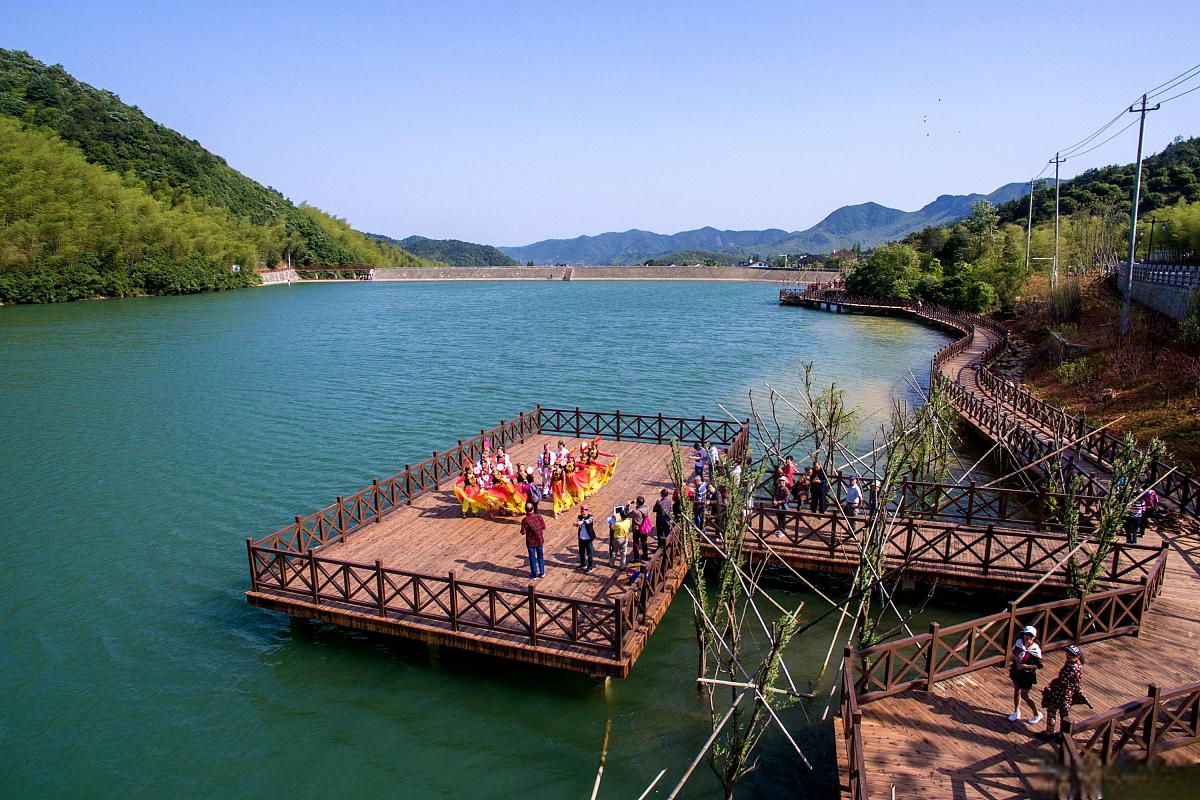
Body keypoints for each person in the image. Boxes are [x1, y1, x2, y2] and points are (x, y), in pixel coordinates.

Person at [1040, 645, 1087, 739]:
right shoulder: (1078, 665)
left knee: (1052, 711)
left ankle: (1049, 733)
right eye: (1068, 653)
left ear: (1077, 657)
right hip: (1068, 695)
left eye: (1071, 654)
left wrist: (1051, 686)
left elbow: (1062, 681)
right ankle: (1063, 735)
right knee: (1064, 715)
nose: (1068, 655)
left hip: (1060, 694)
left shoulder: (1070, 667)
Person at [1008, 625, 1044, 723]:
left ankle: (1037, 714)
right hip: (1016, 671)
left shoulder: (1035, 649)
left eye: (1031, 636)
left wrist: (1024, 666)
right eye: (1026, 635)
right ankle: (1016, 712)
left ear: (1034, 637)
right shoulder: (1019, 643)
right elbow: (1014, 654)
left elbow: (1038, 666)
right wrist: (1015, 659)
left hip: (1027, 674)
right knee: (1016, 691)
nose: (1028, 637)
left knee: (1025, 695)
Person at [520, 502, 546, 579]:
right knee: (540, 557)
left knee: (532, 558)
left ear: (525, 510)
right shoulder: (539, 517)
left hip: (530, 541)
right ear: (533, 509)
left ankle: (534, 574)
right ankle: (542, 573)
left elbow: (523, 532)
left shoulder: (525, 520)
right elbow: (544, 527)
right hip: (539, 540)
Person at [629, 496, 650, 561]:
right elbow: (643, 503)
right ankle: (645, 555)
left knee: (636, 544)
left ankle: (636, 558)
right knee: (644, 542)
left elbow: (628, 515)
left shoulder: (636, 512)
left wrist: (628, 506)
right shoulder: (646, 508)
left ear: (637, 503)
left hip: (637, 529)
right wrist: (637, 502)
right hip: (644, 528)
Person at [576, 505, 596, 572]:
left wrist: (581, 522)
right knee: (581, 553)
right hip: (581, 538)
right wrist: (578, 523)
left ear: (587, 511)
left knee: (590, 554)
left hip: (588, 539)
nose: (583, 513)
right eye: (582, 512)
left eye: (584, 511)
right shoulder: (579, 517)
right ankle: (583, 564)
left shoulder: (591, 517)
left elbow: (588, 521)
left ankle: (590, 567)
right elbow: (577, 524)